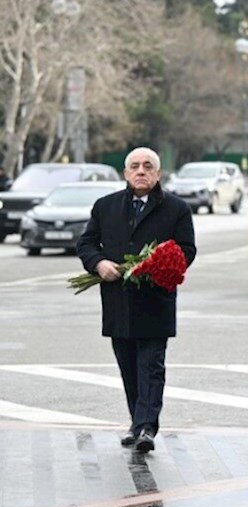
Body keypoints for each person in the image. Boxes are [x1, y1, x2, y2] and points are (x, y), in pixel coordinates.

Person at [76, 147, 196, 453]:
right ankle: (136, 422)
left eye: (147, 166)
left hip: (156, 301)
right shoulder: (106, 206)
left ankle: (146, 426)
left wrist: (157, 266)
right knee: (128, 367)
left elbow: (186, 249)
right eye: (134, 166)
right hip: (118, 302)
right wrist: (99, 263)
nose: (140, 171)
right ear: (126, 173)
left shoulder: (176, 208)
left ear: (157, 174)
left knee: (151, 366)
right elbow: (87, 243)